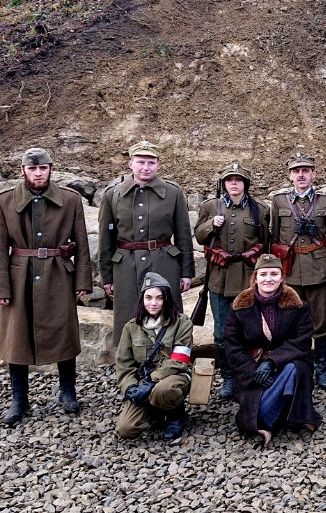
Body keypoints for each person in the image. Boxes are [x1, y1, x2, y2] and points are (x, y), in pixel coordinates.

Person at [0, 148, 93, 425]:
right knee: (16, 335)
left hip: (58, 272)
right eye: (32, 169)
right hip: (19, 275)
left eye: (43, 168)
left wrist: (83, 281)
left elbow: (82, 243)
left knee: (64, 330)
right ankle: (19, 399)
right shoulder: (4, 201)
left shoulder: (70, 199)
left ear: (51, 169)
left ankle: (68, 391)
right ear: (22, 171)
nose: (38, 173)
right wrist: (2, 288)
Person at [98, 141, 195, 346]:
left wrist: (186, 272)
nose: (146, 167)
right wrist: (107, 277)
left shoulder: (173, 193)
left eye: (151, 163)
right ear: (130, 164)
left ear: (158, 165)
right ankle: (128, 362)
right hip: (126, 266)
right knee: (128, 316)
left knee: (167, 314)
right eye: (140, 162)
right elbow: (105, 241)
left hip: (164, 263)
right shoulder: (112, 195)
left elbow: (183, 236)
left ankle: (170, 361)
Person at [224, 254, 321, 447]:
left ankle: (271, 417)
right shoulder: (239, 307)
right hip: (252, 369)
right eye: (263, 274)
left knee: (294, 369)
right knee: (257, 406)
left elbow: (301, 341)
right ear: (255, 278)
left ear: (282, 277)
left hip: (287, 364)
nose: (268, 279)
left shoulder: (298, 306)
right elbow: (232, 346)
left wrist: (272, 362)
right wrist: (254, 371)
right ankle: (285, 415)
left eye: (274, 274)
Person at [194, 163, 268, 400]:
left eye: (238, 180)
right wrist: (210, 225)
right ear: (223, 184)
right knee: (221, 333)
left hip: (248, 278)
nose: (233, 184)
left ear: (246, 184)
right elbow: (199, 236)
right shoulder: (210, 207)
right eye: (229, 180)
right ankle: (227, 377)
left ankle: (246, 376)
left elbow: (265, 244)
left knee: (250, 331)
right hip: (220, 278)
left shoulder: (260, 209)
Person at [268, 154, 326, 392]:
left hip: (319, 270)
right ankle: (297, 366)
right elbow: (274, 240)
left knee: (321, 322)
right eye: (296, 171)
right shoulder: (279, 201)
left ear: (313, 175)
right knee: (289, 322)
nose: (301, 175)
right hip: (290, 270)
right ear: (290, 176)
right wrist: (274, 273)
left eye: (306, 171)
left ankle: (321, 369)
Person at [115, 273, 193, 442]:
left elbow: (180, 359)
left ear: (167, 299)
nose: (153, 303)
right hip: (143, 382)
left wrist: (152, 379)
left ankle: (175, 416)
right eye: (148, 298)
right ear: (142, 299)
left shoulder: (182, 323)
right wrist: (130, 388)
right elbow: (123, 364)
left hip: (175, 376)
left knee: (162, 389)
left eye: (159, 298)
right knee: (126, 429)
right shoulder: (131, 327)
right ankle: (155, 411)